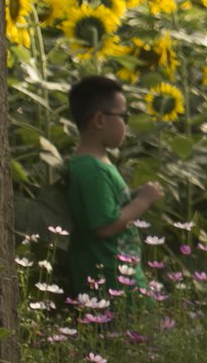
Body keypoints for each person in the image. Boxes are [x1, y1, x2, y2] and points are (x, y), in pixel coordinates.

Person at [65, 75, 159, 299]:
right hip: (111, 283)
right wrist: (142, 201)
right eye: (123, 116)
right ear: (99, 120)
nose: (126, 124)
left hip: (117, 276)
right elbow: (105, 226)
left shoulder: (96, 164)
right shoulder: (92, 170)